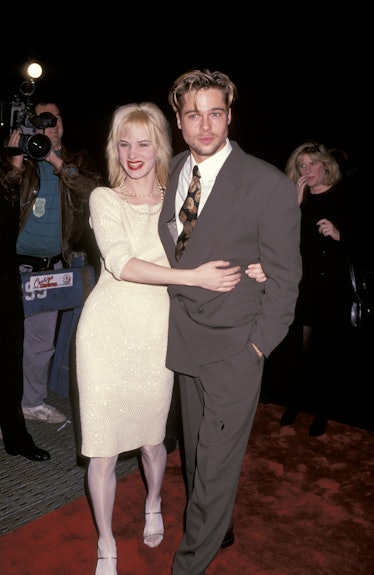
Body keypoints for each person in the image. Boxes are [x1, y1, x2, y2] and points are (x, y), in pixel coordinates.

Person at [75, 101, 247, 575]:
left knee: (153, 441)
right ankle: (106, 543)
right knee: (103, 447)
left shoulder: (180, 198)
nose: (133, 153)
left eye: (143, 142)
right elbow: (121, 263)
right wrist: (195, 278)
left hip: (157, 333)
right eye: (123, 143)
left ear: (159, 147)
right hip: (105, 333)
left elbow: (221, 242)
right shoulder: (103, 199)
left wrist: (253, 264)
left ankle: (153, 500)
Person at [158, 69, 302, 575]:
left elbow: (285, 280)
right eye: (193, 114)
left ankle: (190, 562)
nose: (205, 125)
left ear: (230, 116)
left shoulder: (267, 184)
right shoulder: (168, 170)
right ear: (178, 120)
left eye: (215, 113)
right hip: (183, 339)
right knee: (199, 459)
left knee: (215, 463)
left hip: (236, 347)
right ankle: (221, 523)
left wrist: (258, 347)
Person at [8, 100, 103, 424]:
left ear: (63, 123)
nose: (49, 124)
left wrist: (54, 159)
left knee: (40, 343)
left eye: (55, 118)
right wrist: (15, 160)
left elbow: (96, 194)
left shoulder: (76, 160)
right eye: (41, 119)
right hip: (13, 263)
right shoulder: (18, 158)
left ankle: (31, 403)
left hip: (51, 267)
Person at [279, 142, 360, 436]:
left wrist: (341, 234)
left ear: (326, 165)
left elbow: (366, 238)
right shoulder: (298, 201)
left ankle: (323, 411)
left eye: (312, 164)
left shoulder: (345, 197)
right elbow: (282, 242)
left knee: (328, 354)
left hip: (335, 289)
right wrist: (296, 204)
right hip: (305, 288)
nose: (306, 170)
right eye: (301, 166)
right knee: (298, 352)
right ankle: (295, 403)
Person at [0, 147, 50, 461]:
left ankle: (16, 436)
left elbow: (7, 233)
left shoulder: (9, 168)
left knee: (9, 362)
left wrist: (13, 170)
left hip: (4, 280)